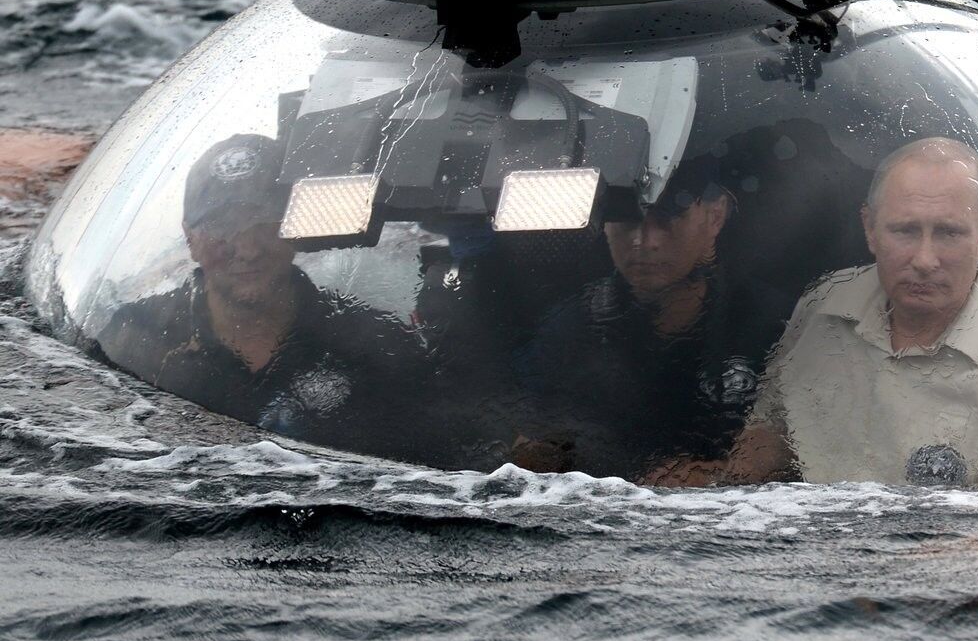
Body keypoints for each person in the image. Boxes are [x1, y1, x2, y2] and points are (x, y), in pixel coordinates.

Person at [673, 136, 978, 487]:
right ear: (869, 228)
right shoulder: (825, 308)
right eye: (905, 231)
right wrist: (713, 487)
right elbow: (771, 434)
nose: (925, 259)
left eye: (948, 233)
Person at [93, 133, 427, 457]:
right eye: (223, 227)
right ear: (190, 237)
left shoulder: (380, 350)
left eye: (265, 222)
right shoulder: (134, 341)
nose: (248, 249)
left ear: (297, 227)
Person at [510, 156, 785, 477]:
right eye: (627, 218)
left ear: (715, 216)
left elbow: (804, 443)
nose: (645, 240)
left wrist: (721, 479)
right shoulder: (571, 329)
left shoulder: (771, 325)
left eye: (669, 216)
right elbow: (532, 458)